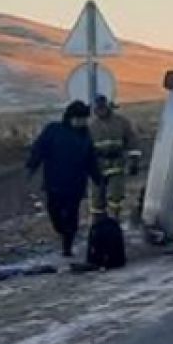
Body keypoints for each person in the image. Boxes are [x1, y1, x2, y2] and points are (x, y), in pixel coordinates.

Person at [26, 101, 103, 257]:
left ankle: (67, 247)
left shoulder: (85, 137)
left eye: (84, 119)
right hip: (54, 183)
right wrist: (32, 166)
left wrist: (98, 178)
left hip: (75, 186)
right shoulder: (54, 130)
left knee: (71, 216)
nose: (81, 122)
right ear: (70, 117)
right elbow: (39, 149)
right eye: (78, 118)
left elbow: (91, 160)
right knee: (54, 213)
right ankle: (62, 231)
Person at [88, 94, 138, 220]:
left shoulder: (121, 122)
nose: (100, 110)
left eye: (102, 107)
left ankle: (115, 220)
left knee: (116, 197)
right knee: (97, 200)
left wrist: (134, 161)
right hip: (97, 169)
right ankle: (97, 225)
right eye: (97, 108)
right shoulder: (90, 126)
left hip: (116, 166)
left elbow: (132, 141)